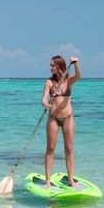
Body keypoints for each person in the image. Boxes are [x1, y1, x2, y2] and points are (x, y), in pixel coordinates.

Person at [41, 55, 82, 187]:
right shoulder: (49, 82)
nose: (50, 68)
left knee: (69, 149)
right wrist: (46, 104)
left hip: (68, 118)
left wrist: (75, 64)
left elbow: (79, 76)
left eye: (53, 65)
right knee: (50, 149)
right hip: (53, 119)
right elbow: (43, 99)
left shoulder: (68, 80)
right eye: (50, 65)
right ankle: (48, 180)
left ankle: (70, 179)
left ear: (59, 66)